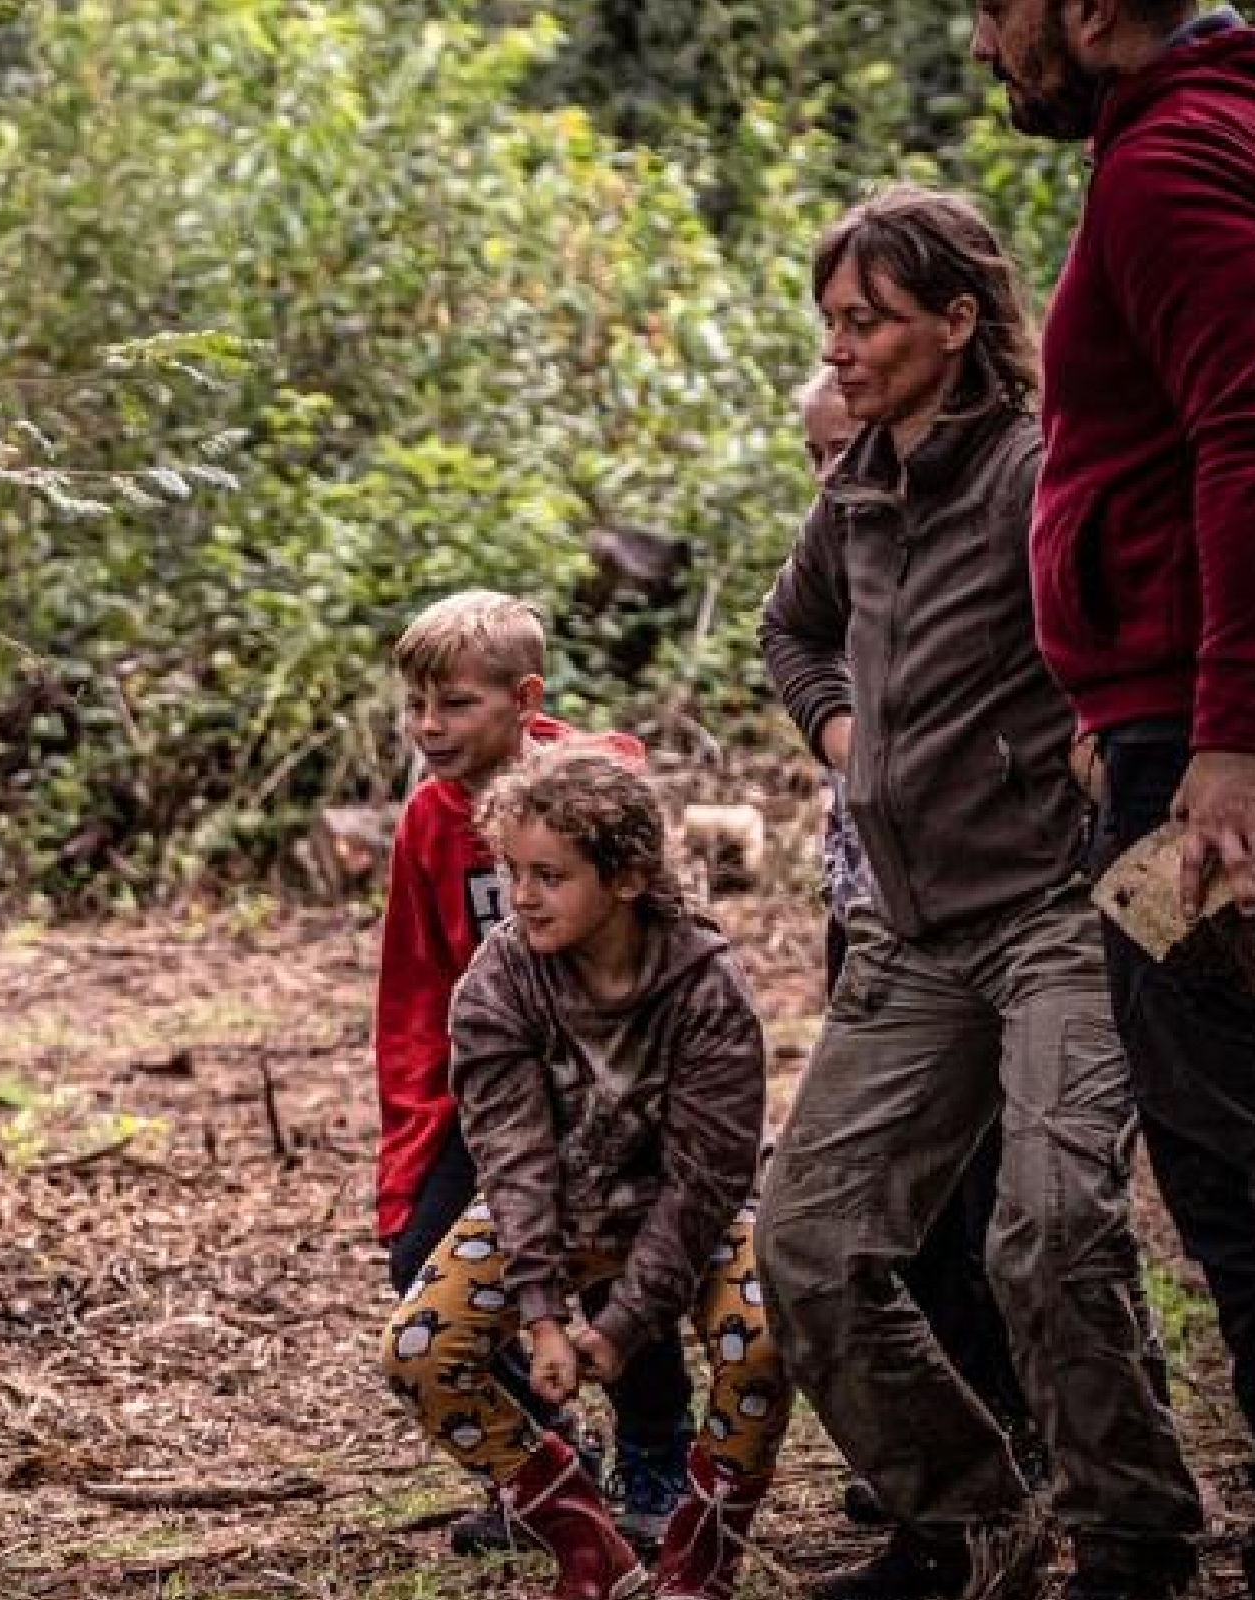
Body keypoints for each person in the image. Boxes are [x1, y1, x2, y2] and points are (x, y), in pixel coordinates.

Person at [972, 6, 1255, 1597]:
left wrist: (1233, 730)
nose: (985, 44)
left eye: (996, 7)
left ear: (1091, 8)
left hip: (1239, 742)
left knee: (1241, 1152)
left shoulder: (1174, 161)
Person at [754, 185, 1203, 1600]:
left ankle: (1136, 1537)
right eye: (830, 320)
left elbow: (1155, 606)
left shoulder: (1034, 468)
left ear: (959, 323)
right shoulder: (859, 487)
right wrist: (845, 733)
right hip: (909, 932)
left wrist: (1104, 733)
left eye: (869, 320)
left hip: (1058, 914)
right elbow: (793, 630)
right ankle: (964, 1517)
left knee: (1055, 1227)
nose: (841, 348)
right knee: (809, 1244)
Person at [379, 749, 787, 1600]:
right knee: (419, 1347)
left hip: (689, 1216)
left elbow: (706, 1179)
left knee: (761, 1337)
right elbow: (513, 1158)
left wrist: (627, 1321)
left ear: (629, 877)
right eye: (511, 873)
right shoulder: (499, 980)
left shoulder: (705, 985)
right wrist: (542, 1314)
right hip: (557, 1210)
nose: (521, 897)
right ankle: (580, 1531)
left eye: (550, 876)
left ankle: (702, 1550)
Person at [369, 592, 691, 1553]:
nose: (431, 726)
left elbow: (663, 920)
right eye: (418, 704)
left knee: (618, 1269)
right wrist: (412, 1146)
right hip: (498, 1100)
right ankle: (548, 1465)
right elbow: (415, 990)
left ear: (524, 698)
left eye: (457, 704)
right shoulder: (430, 822)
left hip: (619, 1089)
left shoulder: (601, 780)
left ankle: (656, 1460)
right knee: (419, 1262)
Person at [791, 370, 1044, 1559]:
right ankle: (940, 1471)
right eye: (814, 456)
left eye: (845, 447)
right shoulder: (845, 537)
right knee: (888, 1224)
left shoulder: (991, 504)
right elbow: (792, 638)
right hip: (873, 910)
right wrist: (847, 735)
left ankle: (1024, 1436)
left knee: (1007, 1205)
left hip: (994, 911)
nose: (833, 475)